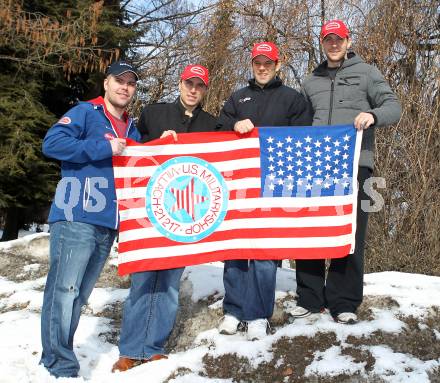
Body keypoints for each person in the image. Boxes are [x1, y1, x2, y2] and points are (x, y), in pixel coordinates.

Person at [293, 20, 401, 324]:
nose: (334, 44)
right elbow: (299, 121)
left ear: (348, 40)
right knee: (311, 230)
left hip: (355, 165)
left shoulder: (367, 73)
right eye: (328, 39)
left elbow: (394, 107)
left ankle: (344, 302)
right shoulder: (309, 81)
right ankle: (310, 298)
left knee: (350, 233)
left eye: (339, 39)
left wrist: (373, 114)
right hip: (315, 168)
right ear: (322, 43)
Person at [112, 64, 217, 372]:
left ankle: (154, 346)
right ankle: (131, 349)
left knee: (169, 283)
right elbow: (131, 151)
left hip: (185, 214)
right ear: (180, 83)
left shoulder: (212, 124)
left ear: (205, 89)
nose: (193, 89)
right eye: (189, 83)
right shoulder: (154, 114)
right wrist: (156, 143)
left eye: (199, 85)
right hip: (150, 211)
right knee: (144, 280)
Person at [39, 61, 140, 378]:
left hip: (108, 225)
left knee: (78, 295)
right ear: (106, 83)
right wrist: (103, 146)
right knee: (64, 291)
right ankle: (59, 363)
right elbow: (52, 144)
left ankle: (57, 356)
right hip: (76, 217)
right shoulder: (86, 112)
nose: (125, 87)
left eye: (131, 83)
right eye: (119, 81)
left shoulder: (131, 128)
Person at [216, 42, 313, 340]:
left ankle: (258, 314)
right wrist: (235, 123)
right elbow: (219, 129)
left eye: (267, 62)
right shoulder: (237, 97)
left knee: (264, 253)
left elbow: (303, 140)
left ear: (277, 64)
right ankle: (233, 309)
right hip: (240, 186)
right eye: (258, 62)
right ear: (252, 64)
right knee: (234, 250)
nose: (262, 67)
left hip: (273, 187)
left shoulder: (293, 99)